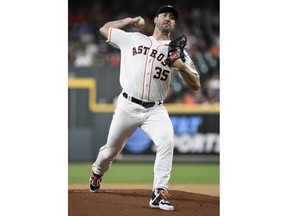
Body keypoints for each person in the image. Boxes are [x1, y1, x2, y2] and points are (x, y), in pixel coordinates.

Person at [89, 5, 200, 211]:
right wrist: (129, 21)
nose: (168, 18)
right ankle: (97, 171)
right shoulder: (134, 38)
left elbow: (196, 84)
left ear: (174, 24)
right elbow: (104, 29)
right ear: (156, 19)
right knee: (111, 151)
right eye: (164, 14)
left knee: (167, 141)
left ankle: (159, 192)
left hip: (154, 110)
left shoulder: (178, 52)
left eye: (172, 17)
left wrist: (182, 67)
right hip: (127, 105)